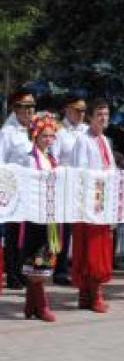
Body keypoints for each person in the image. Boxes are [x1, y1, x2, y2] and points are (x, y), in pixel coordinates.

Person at [70, 98, 116, 313]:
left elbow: (111, 168)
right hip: (88, 204)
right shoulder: (83, 140)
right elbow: (80, 171)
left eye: (106, 115)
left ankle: (92, 292)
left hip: (102, 202)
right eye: (99, 115)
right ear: (89, 117)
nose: (104, 118)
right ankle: (88, 293)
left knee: (100, 248)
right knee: (88, 248)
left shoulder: (105, 140)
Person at [19, 113, 62, 322]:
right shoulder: (30, 159)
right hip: (35, 216)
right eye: (44, 136)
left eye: (51, 136)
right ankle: (41, 305)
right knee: (37, 262)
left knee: (43, 260)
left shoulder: (51, 159)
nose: (48, 139)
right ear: (35, 136)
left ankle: (30, 305)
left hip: (48, 216)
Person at [0, 87, 36, 289]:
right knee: (14, 234)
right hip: (14, 191)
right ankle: (13, 274)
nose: (29, 111)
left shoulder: (34, 130)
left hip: (31, 190)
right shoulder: (7, 133)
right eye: (24, 106)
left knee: (30, 233)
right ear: (15, 108)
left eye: (32, 106)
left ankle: (25, 271)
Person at [52, 92, 89, 286]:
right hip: (66, 185)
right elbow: (54, 159)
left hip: (84, 187)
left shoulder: (87, 130)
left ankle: (80, 267)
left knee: (82, 228)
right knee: (64, 230)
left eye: (84, 110)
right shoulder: (58, 131)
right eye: (78, 110)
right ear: (67, 109)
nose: (82, 114)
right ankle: (60, 269)